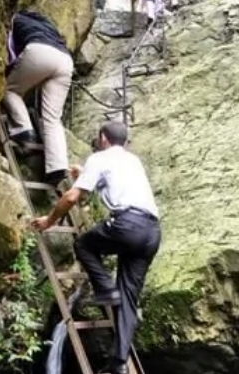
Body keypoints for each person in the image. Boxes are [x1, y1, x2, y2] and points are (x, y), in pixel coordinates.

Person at [32, 122, 161, 374]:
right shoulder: (133, 161)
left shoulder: (99, 158)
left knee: (83, 245)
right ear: (124, 142)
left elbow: (71, 197)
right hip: (151, 232)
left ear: (103, 138)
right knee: (129, 298)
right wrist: (84, 173)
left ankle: (105, 288)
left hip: (127, 225)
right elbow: (115, 182)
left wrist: (49, 221)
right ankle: (119, 363)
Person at [4, 10, 74, 186]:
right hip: (65, 60)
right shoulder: (48, 26)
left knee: (9, 90)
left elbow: (11, 50)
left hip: (39, 52)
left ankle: (23, 129)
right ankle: (57, 166)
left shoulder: (15, 18)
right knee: (52, 117)